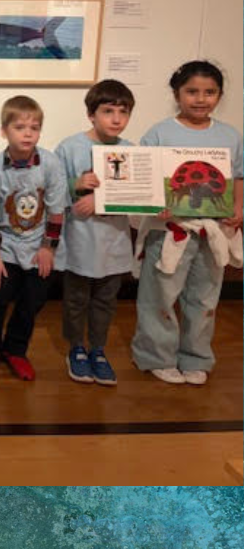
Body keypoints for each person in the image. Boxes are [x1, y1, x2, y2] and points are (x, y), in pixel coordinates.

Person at [132, 60, 243, 386]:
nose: (200, 99)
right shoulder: (160, 132)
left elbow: (237, 177)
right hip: (170, 229)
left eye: (210, 92)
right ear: (177, 93)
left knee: (205, 297)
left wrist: (238, 208)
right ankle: (156, 355)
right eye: (192, 91)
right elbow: (144, 175)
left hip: (213, 230)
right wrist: (155, 205)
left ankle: (196, 357)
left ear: (219, 96)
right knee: (159, 296)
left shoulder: (229, 135)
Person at [0, 95, 68, 382]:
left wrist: (48, 247)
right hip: (6, 247)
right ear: (4, 131)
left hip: (39, 246)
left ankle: (15, 350)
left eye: (34, 128)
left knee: (32, 301)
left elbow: (57, 209)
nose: (28, 134)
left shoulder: (50, 164)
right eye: (20, 127)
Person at [55, 79, 136, 386]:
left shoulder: (131, 152)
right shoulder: (70, 147)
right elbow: (51, 187)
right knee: (76, 298)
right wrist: (77, 184)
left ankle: (98, 350)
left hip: (113, 239)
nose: (116, 119)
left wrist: (100, 199)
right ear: (91, 114)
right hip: (80, 238)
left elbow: (138, 196)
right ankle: (76, 347)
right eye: (108, 111)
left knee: (105, 299)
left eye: (123, 112)